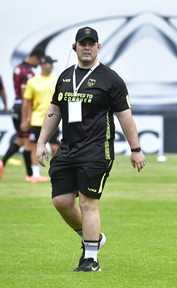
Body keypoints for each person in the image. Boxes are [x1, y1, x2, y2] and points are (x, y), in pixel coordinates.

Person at [35, 26, 146, 272]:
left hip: (97, 150)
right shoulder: (64, 77)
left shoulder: (111, 78)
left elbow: (125, 116)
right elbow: (54, 111)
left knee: (88, 201)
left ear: (98, 47)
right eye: (82, 43)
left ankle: (91, 258)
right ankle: (94, 238)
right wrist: (41, 142)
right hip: (67, 149)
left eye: (91, 43)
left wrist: (135, 148)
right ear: (74, 47)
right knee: (61, 201)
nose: (87, 47)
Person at [0, 48, 44, 180]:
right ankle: (31, 174)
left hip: (15, 106)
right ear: (34, 57)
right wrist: (27, 117)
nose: (39, 64)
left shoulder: (18, 68)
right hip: (24, 108)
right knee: (28, 143)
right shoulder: (29, 72)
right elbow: (26, 95)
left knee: (20, 139)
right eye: (39, 60)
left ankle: (2, 162)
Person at [21, 55, 60, 183]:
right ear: (43, 64)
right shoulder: (33, 81)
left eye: (52, 63)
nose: (52, 66)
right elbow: (27, 102)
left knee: (55, 148)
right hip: (37, 120)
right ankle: (36, 175)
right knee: (34, 147)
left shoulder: (57, 80)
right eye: (49, 63)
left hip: (53, 120)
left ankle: (58, 172)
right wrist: (26, 119)